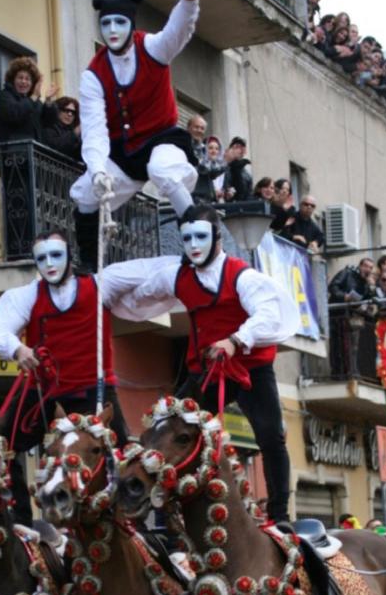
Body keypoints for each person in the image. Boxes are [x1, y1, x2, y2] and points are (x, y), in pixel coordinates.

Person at [0, 226, 176, 521]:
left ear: (69, 256)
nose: (49, 264)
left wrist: (190, 265)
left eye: (56, 255)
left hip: (91, 388)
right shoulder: (27, 296)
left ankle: (137, 525)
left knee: (125, 457)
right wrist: (18, 350)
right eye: (42, 258)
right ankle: (20, 521)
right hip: (45, 389)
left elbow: (149, 271)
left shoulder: (101, 285)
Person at [119, 205, 300, 523]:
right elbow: (144, 292)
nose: (194, 245)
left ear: (217, 238)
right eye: (186, 238)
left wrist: (234, 341)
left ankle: (280, 514)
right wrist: (102, 298)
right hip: (206, 369)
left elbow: (267, 314)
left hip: (249, 368)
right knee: (169, 427)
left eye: (201, 237)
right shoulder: (178, 276)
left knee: (271, 435)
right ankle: (158, 507)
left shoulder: (242, 275)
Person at [70, 0, 203, 269]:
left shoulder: (153, 48)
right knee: (85, 193)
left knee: (163, 171)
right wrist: (99, 169)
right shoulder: (93, 75)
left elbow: (179, 31)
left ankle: (197, 238)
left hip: (163, 140)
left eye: (119, 22)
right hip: (125, 153)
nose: (112, 30)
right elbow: (94, 129)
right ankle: (90, 269)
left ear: (130, 24)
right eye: (106, 24)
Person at [0, 56, 59, 259]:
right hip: (12, 161)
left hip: (31, 163)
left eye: (28, 79)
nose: (23, 82)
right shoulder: (5, 97)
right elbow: (14, 114)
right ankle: (18, 251)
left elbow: (47, 123)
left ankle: (32, 246)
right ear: (13, 80)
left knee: (31, 207)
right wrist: (33, 99)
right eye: (20, 78)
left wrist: (47, 102)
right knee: (18, 205)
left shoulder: (31, 103)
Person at [41, 95, 82, 161]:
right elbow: (56, 146)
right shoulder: (49, 126)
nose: (69, 114)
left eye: (73, 112)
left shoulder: (75, 133)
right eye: (66, 110)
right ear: (58, 110)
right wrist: (74, 134)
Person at [222, 136, 253, 202]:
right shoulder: (222, 168)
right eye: (237, 147)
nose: (239, 150)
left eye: (242, 147)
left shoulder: (247, 175)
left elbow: (248, 196)